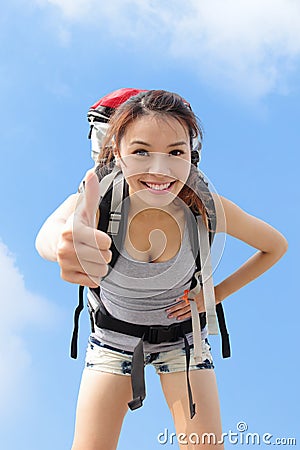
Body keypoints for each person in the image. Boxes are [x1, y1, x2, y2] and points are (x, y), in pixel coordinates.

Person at [35, 89, 288, 450]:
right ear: (116, 153)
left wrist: (210, 299)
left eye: (175, 153)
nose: (160, 169)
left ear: (192, 155)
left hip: (184, 342)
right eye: (141, 152)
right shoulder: (98, 202)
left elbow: (275, 246)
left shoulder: (206, 208)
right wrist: (62, 246)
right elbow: (50, 234)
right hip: (113, 343)